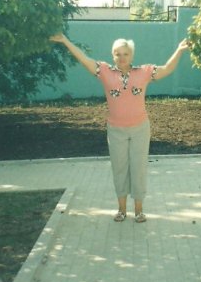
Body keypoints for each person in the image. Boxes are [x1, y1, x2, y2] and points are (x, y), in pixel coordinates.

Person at [50, 32, 190, 223]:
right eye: (117, 54)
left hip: (140, 128)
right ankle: (122, 210)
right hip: (116, 130)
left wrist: (179, 50)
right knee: (119, 168)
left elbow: (166, 69)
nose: (122, 58)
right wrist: (66, 41)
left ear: (131, 55)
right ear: (112, 55)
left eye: (125, 54)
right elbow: (84, 60)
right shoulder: (104, 71)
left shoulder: (144, 71)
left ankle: (139, 210)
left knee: (139, 168)